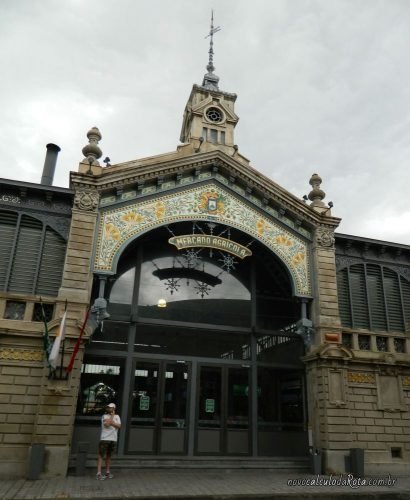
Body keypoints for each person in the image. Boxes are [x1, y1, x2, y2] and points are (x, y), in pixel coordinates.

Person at [96, 402, 121, 480]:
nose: (108, 409)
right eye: (108, 407)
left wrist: (111, 422)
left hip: (113, 439)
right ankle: (99, 473)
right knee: (101, 456)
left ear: (114, 408)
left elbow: (119, 426)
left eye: (110, 407)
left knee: (109, 456)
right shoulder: (104, 416)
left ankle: (107, 472)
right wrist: (112, 418)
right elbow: (106, 425)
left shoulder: (117, 416)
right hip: (104, 438)